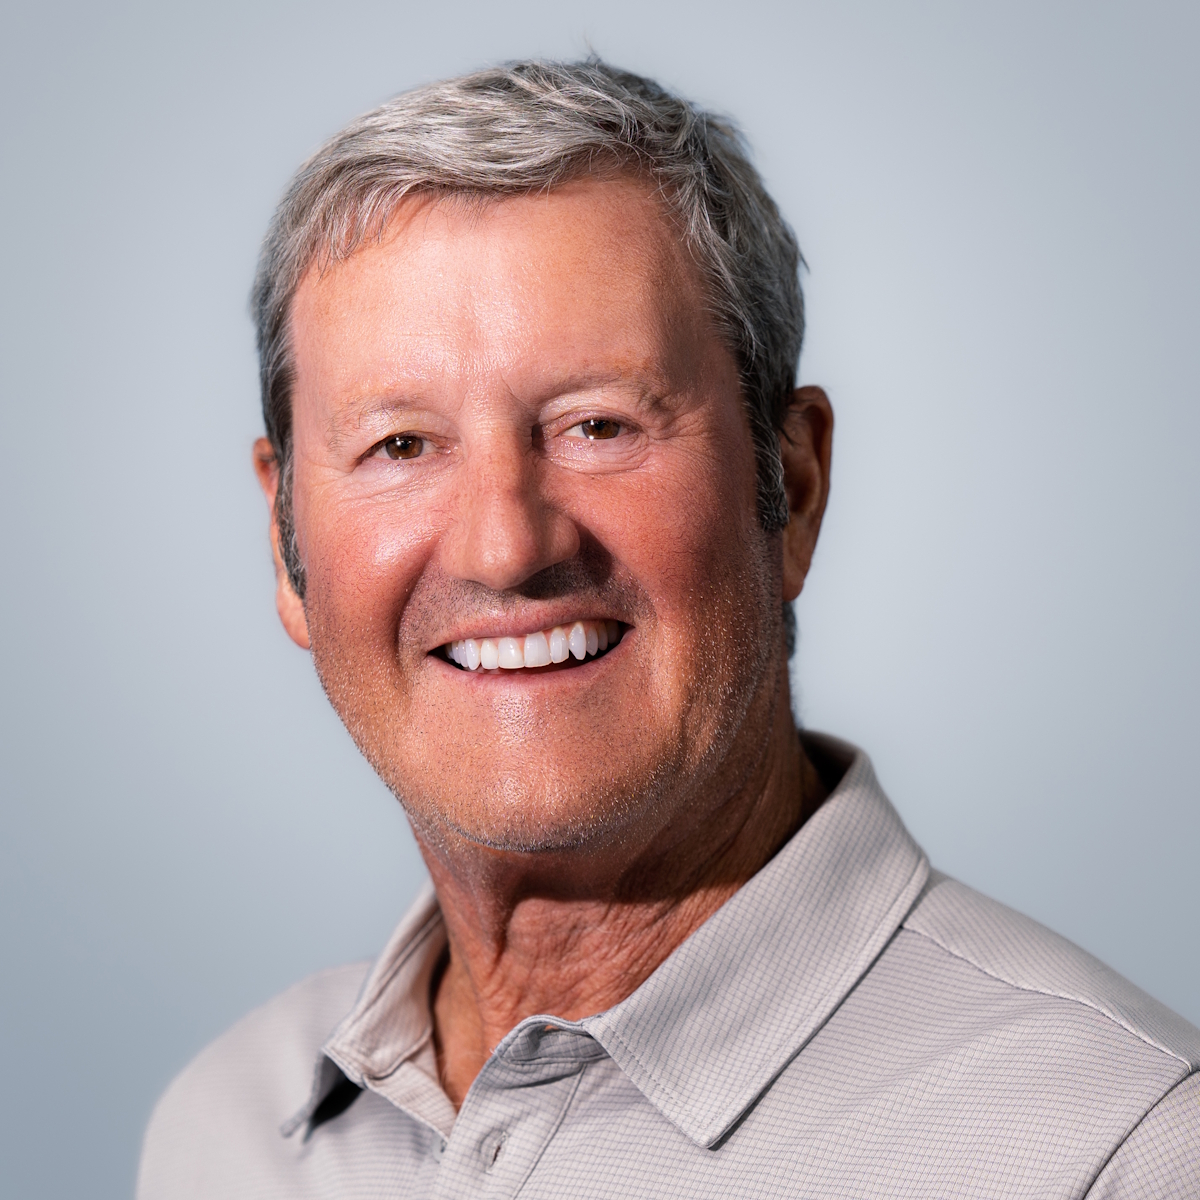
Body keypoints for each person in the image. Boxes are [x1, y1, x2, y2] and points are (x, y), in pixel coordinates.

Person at [137, 60, 1199, 1199]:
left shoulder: (1115, 1147)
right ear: (285, 537)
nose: (505, 546)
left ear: (790, 485)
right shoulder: (230, 1129)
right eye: (401, 445)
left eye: (598, 424)